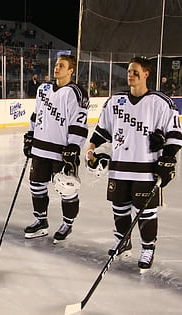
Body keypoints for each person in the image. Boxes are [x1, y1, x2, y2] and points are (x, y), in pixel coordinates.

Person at [86, 56, 182, 272]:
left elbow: (175, 133)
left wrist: (168, 156)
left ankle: (148, 248)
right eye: (129, 71)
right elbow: (103, 131)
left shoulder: (160, 102)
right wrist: (91, 147)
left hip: (145, 170)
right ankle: (123, 241)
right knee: (119, 208)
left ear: (146, 74)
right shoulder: (115, 101)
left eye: (135, 71)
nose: (130, 74)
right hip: (119, 167)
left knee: (146, 212)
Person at [23, 54, 89, 243]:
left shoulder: (76, 92)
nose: (56, 68)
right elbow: (36, 114)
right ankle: (41, 221)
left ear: (71, 70)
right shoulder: (43, 89)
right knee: (36, 186)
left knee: (66, 188)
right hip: (40, 148)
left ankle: (67, 223)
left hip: (62, 151)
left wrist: (74, 146)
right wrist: (30, 135)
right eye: (56, 64)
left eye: (61, 65)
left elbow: (79, 122)